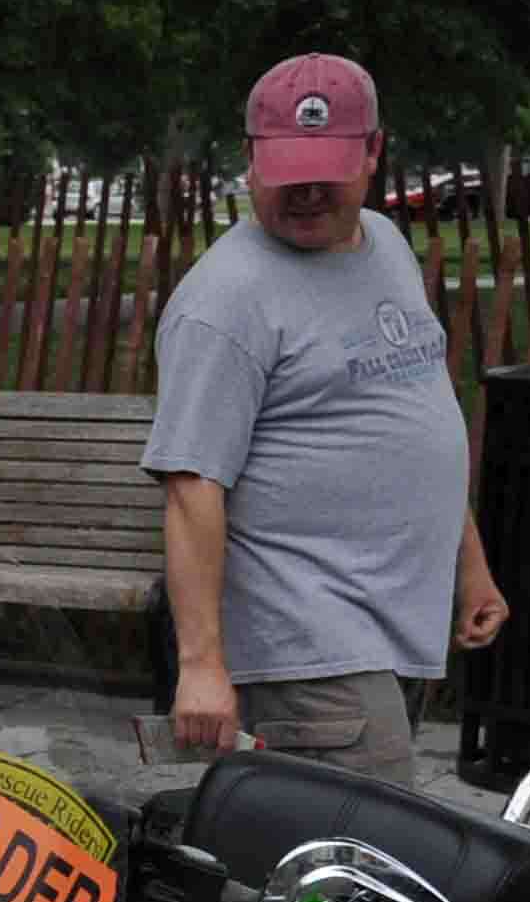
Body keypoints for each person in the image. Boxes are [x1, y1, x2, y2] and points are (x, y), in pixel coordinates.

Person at [142, 51, 510, 771]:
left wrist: (468, 565)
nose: (308, 192)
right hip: (305, 640)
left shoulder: (386, 244)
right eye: (289, 172)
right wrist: (202, 666)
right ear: (251, 159)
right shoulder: (225, 301)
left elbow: (409, 408)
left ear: (373, 152)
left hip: (390, 624)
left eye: (327, 171)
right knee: (375, 837)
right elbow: (191, 486)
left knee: (344, 839)